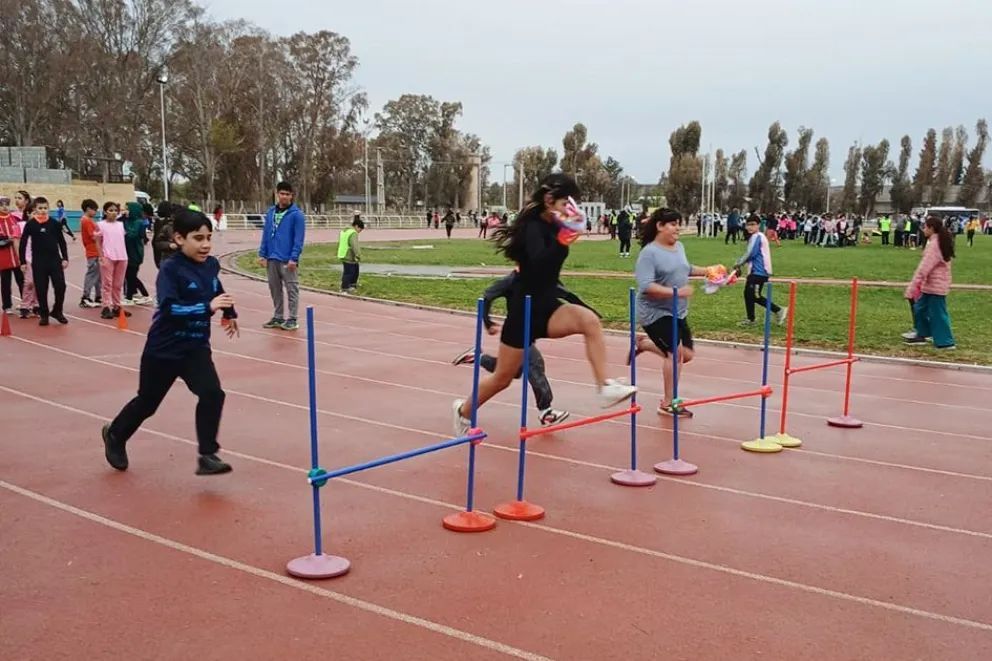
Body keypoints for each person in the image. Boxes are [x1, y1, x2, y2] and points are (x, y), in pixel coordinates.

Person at [450, 174, 635, 438]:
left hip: (548, 306)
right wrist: (564, 239)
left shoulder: (555, 226)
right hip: (523, 310)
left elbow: (552, 267)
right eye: (565, 203)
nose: (570, 209)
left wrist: (565, 234)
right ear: (549, 200)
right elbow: (538, 264)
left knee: (589, 321)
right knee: (503, 378)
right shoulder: (532, 227)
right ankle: (463, 412)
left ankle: (605, 386)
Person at [102, 208, 239, 475]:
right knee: (148, 403)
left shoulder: (211, 265)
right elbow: (168, 308)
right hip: (164, 350)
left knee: (212, 393)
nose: (206, 245)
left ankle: (207, 455)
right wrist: (207, 308)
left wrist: (228, 312)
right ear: (179, 238)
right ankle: (115, 434)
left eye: (209, 238)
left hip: (196, 348)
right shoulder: (170, 269)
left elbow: (215, 288)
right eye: (198, 238)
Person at [452, 270, 590, 426]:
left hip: (530, 331)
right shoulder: (510, 281)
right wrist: (487, 322)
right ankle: (546, 412)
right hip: (516, 331)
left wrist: (590, 314)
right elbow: (487, 297)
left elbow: (568, 296)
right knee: (534, 364)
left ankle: (478, 358)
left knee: (513, 371)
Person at [632, 208, 722, 416]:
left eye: (678, 224)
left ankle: (644, 344)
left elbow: (685, 268)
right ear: (660, 226)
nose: (677, 228)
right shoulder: (649, 253)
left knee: (687, 355)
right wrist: (676, 292)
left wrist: (709, 271)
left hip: (678, 311)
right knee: (676, 354)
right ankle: (668, 403)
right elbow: (646, 286)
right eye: (673, 224)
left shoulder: (679, 247)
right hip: (654, 312)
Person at [258, 181, 305, 331]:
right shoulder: (271, 212)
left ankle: (292, 318)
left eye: (287, 194)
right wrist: (262, 254)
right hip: (272, 257)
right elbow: (266, 234)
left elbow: (298, 239)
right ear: (277, 194)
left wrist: (294, 258)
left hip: (287, 259)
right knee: (274, 288)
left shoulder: (297, 215)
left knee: (292, 288)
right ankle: (278, 316)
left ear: (291, 196)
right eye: (282, 193)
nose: (284, 197)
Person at [903, 216, 956, 350]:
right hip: (929, 286)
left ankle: (946, 342)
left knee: (938, 314)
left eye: (925, 227)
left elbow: (924, 268)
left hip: (936, 286)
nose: (923, 229)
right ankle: (923, 334)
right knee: (919, 309)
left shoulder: (935, 245)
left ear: (931, 228)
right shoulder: (935, 241)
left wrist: (912, 286)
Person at [18, 197, 69, 326]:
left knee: (61, 286)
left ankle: (57, 310)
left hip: (54, 260)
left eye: (45, 208)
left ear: (49, 209)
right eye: (40, 208)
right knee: (41, 288)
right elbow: (23, 243)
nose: (43, 211)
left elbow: (62, 242)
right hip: (39, 261)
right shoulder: (31, 224)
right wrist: (22, 261)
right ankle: (44, 314)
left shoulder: (54, 223)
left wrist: (65, 258)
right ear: (35, 209)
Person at [734, 215, 787, 326]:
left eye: (753, 224)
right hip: (755, 272)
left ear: (758, 225)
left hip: (759, 272)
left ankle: (777, 310)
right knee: (749, 295)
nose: (750, 227)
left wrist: (739, 263)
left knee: (753, 295)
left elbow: (751, 253)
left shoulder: (757, 236)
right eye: (748, 225)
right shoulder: (756, 237)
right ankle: (752, 318)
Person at [95, 202, 129, 320]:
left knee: (118, 284)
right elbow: (98, 242)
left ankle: (117, 306)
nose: (113, 213)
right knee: (107, 283)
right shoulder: (100, 225)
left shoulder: (121, 225)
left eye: (115, 210)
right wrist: (101, 256)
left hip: (122, 256)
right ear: (105, 212)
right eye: (110, 210)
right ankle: (106, 306)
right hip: (108, 256)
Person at [123, 201, 151, 305]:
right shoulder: (128, 221)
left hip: (135, 253)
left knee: (131, 276)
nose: (125, 211)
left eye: (127, 209)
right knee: (129, 275)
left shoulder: (139, 222)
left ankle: (143, 295)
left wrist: (124, 229)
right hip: (128, 252)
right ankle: (131, 296)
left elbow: (132, 235)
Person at [0, 195, 24, 314]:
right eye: (1, 205)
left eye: (7, 204)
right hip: (3, 257)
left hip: (16, 255)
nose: (5, 207)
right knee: (5, 283)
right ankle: (7, 305)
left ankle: (26, 302)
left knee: (21, 280)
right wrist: (7, 239)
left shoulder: (14, 218)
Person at [78, 199, 102, 308]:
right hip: (93, 251)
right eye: (94, 210)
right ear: (88, 209)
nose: (95, 212)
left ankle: (99, 295)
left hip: (96, 250)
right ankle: (85, 296)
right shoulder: (87, 221)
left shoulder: (87, 220)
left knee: (98, 275)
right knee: (92, 274)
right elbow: (93, 236)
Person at [338, 217, 364, 292]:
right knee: (349, 272)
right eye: (360, 230)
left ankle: (352, 285)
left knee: (354, 270)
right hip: (349, 255)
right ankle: (345, 287)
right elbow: (354, 245)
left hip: (343, 253)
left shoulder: (344, 231)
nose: (359, 232)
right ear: (356, 226)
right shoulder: (353, 233)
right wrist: (358, 255)